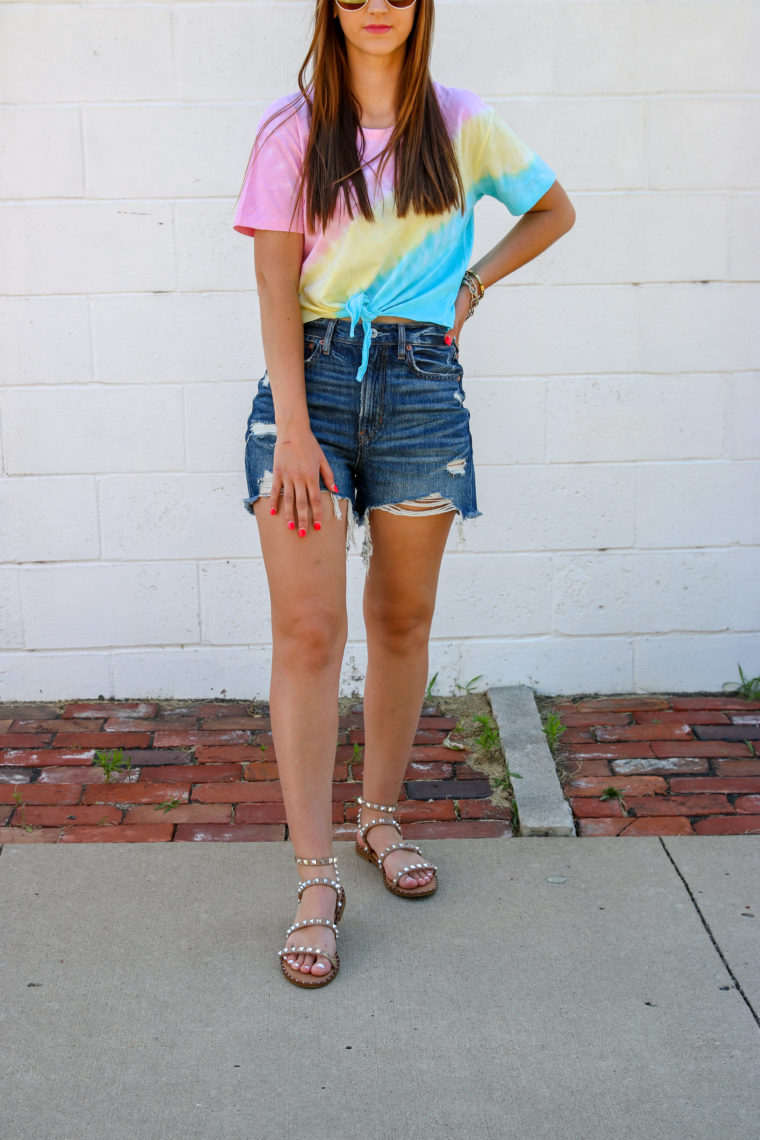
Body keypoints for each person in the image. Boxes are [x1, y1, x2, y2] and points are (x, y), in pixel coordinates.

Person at [233, 0, 575, 988]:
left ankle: (379, 820)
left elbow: (554, 209)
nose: (375, 5)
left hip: (425, 386)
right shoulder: (290, 128)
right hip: (310, 390)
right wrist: (295, 431)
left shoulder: (460, 120)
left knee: (401, 620)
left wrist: (471, 287)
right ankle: (313, 880)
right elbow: (271, 285)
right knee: (307, 633)